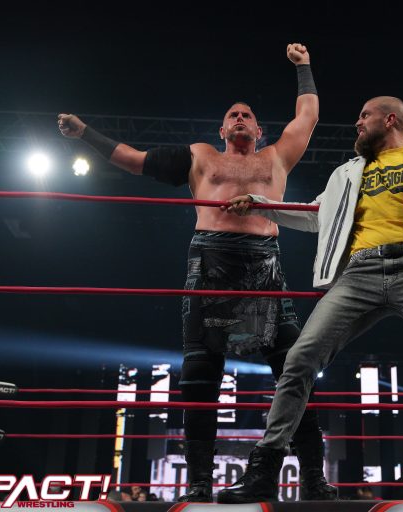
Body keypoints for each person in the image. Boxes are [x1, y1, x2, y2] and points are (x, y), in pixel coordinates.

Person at [58, 44, 336, 503]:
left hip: (265, 263)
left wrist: (304, 67)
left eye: (247, 115)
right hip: (210, 260)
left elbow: (308, 115)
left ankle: (312, 477)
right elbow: (134, 159)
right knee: (200, 372)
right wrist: (85, 133)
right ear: (222, 129)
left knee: (294, 368)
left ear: (259, 129)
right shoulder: (200, 156)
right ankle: (200, 481)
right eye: (233, 115)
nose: (240, 118)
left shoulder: (276, 157)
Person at [217, 96, 403, 503]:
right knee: (299, 360)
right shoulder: (346, 172)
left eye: (364, 116)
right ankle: (264, 470)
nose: (357, 124)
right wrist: (260, 205)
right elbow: (313, 215)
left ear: (389, 119)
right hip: (357, 274)